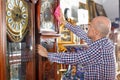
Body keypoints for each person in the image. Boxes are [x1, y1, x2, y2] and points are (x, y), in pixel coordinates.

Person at [37, 9, 116, 79]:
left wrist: (47, 54)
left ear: (96, 32)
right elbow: (82, 34)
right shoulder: (103, 42)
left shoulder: (99, 49)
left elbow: (75, 58)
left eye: (90, 26)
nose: (88, 28)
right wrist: (63, 21)